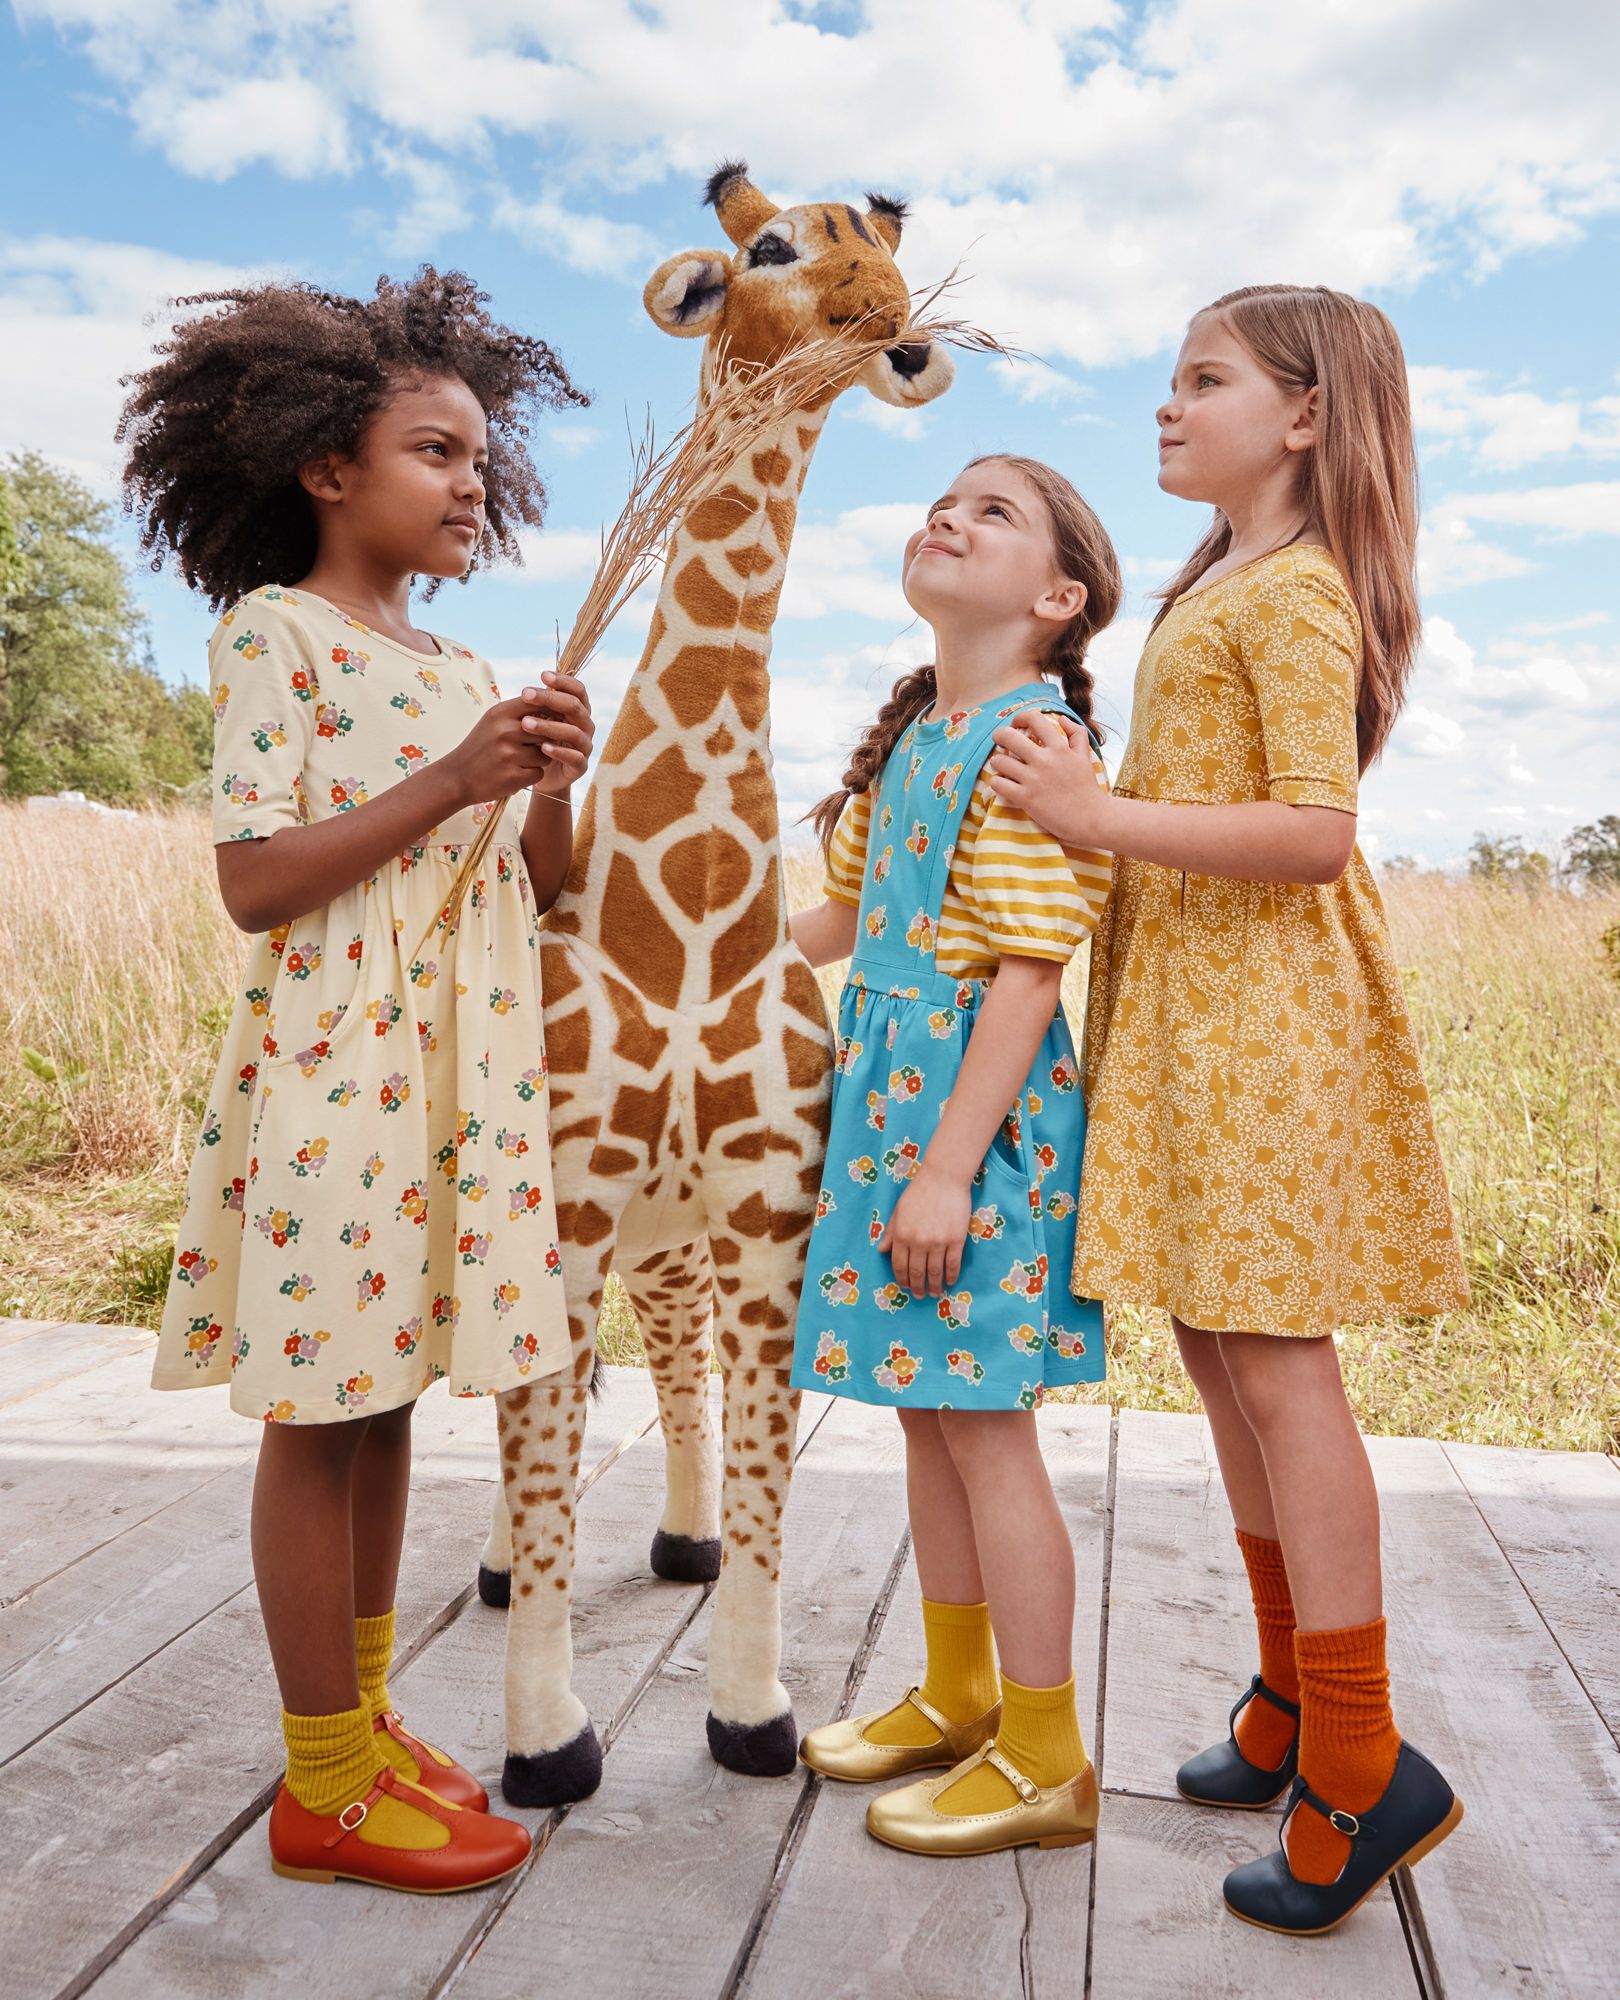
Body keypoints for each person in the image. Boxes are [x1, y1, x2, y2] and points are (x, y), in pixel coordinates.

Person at [988, 286, 1468, 1934]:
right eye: (1170, 377)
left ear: (1309, 414)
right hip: (1193, 1014)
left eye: (1205, 379)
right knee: (1212, 1345)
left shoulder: (1301, 587)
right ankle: (1285, 1698)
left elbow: (1314, 833)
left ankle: (1360, 1759)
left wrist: (1091, 808)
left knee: (1277, 1359)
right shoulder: (1221, 577)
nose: (1170, 405)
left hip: (1267, 1019)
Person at [122, 267, 593, 1892]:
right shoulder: (281, 636)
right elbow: (256, 879)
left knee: (386, 1403)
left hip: (452, 1080)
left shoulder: (461, 671)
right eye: (436, 453)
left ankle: (368, 1720)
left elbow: (538, 884)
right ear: (329, 468)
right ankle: (318, 1780)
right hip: (338, 1074)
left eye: (481, 461)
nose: (473, 486)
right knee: (318, 1416)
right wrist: (456, 773)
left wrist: (540, 785)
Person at [789, 454, 1117, 1859]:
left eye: (994, 512)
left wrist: (944, 1173)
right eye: (944, 498)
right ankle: (962, 1692)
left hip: (970, 1131)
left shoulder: (1034, 747)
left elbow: (1028, 976)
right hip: (893, 1112)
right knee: (927, 1413)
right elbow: (844, 921)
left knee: (987, 1428)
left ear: (1057, 597)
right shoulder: (922, 733)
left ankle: (1047, 1757)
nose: (949, 515)